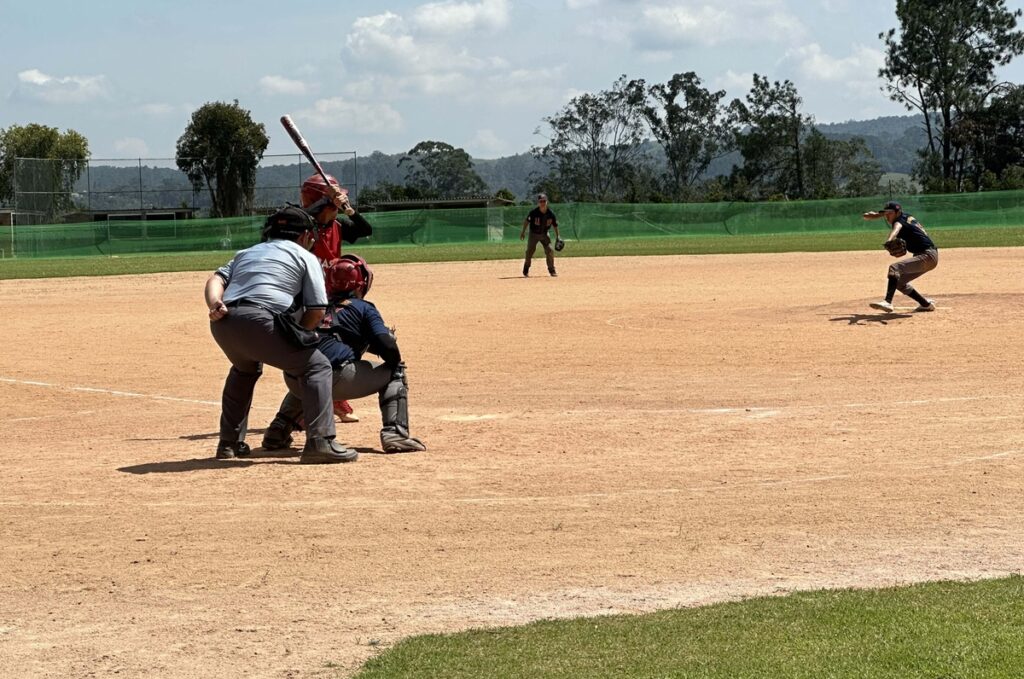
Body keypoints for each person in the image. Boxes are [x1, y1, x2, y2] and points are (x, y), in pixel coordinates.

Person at [204, 205, 358, 464]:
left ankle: (228, 443)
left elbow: (216, 279)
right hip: (261, 319)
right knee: (316, 366)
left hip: (224, 322)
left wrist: (214, 303)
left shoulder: (246, 252)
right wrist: (300, 337)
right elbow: (318, 309)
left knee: (243, 370)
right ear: (305, 236)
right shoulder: (305, 255)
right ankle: (321, 442)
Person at [262, 254, 427, 454]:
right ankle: (395, 434)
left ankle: (278, 431)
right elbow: (386, 345)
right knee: (395, 373)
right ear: (360, 284)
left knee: (308, 370)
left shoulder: (315, 304)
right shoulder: (363, 307)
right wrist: (392, 358)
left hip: (292, 378)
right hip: (335, 378)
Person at [300, 173, 374, 423]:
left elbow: (366, 230)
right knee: (309, 350)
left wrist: (349, 210)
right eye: (332, 203)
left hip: (332, 296)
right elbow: (308, 215)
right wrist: (326, 199)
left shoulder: (339, 225)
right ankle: (301, 409)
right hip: (307, 299)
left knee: (344, 342)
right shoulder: (302, 226)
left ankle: (335, 398)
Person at [863, 201, 938, 313]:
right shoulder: (905, 216)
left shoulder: (898, 222)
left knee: (894, 268)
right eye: (886, 214)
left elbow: (896, 229)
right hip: (929, 257)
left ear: (897, 213)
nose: (887, 216)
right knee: (899, 283)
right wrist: (877, 215)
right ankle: (925, 304)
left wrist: (889, 241)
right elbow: (880, 214)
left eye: (890, 213)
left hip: (926, 255)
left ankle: (887, 302)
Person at [520, 192, 561, 277]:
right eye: (540, 201)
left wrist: (558, 236)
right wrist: (523, 232)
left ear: (547, 202)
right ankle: (526, 269)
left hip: (545, 234)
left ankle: (552, 270)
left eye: (544, 201)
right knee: (529, 252)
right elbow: (526, 221)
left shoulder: (551, 214)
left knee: (550, 250)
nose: (542, 203)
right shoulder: (534, 212)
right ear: (538, 202)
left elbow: (555, 226)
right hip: (533, 234)